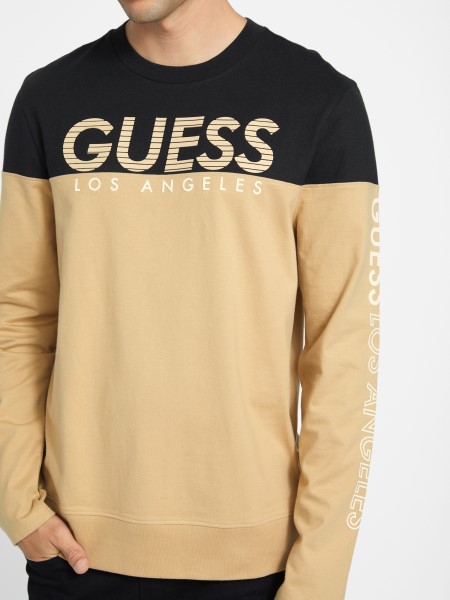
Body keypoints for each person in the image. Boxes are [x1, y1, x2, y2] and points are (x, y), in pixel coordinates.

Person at [0, 0, 380, 598]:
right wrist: (17, 504)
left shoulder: (318, 99)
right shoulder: (50, 97)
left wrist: (318, 580)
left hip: (254, 564)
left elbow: (343, 350)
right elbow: (19, 318)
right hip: (75, 554)